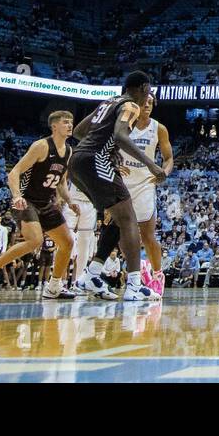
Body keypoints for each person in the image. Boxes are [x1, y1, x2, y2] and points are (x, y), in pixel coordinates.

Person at [67, 72, 164, 302]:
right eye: (148, 91)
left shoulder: (109, 102)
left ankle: (91, 275)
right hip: (95, 160)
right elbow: (121, 136)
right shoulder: (131, 105)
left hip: (78, 162)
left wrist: (104, 148)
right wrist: (151, 164)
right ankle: (134, 285)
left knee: (119, 218)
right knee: (130, 218)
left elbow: (79, 131)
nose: (148, 96)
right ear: (141, 88)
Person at [0, 110, 80, 300]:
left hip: (46, 203)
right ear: (54, 126)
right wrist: (16, 196)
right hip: (26, 201)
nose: (70, 125)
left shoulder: (69, 151)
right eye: (65, 122)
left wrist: (70, 201)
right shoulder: (41, 146)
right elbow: (14, 173)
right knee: (35, 241)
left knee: (67, 243)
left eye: (71, 122)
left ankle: (54, 287)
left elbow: (61, 182)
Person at [122, 92, 173, 296]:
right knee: (121, 235)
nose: (147, 105)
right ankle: (138, 267)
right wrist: (115, 165)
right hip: (123, 183)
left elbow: (169, 158)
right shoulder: (124, 125)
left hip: (144, 184)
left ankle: (158, 273)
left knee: (148, 235)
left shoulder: (158, 128)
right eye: (144, 102)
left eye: (151, 103)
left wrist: (164, 173)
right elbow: (108, 148)